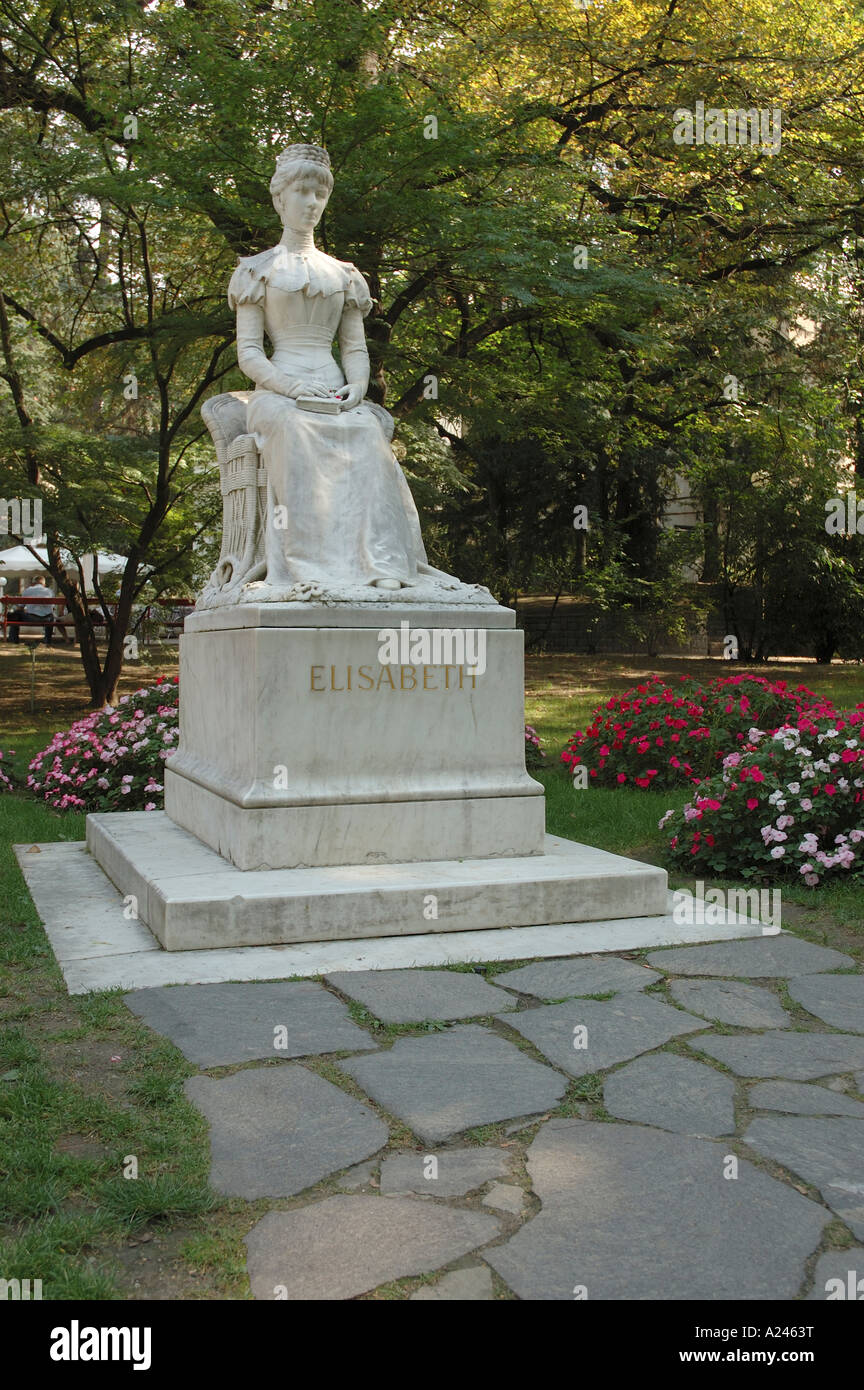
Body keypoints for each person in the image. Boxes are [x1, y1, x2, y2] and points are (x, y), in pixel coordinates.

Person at [227, 142, 449, 594]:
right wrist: (291, 388)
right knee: (294, 428)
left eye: (320, 195)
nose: (312, 203)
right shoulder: (256, 271)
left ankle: (379, 561)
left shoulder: (344, 275)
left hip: (334, 394)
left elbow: (354, 347)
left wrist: (358, 386)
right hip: (278, 397)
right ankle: (310, 566)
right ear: (280, 199)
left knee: (368, 432)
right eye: (303, 192)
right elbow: (248, 354)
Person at [6, 574, 57, 644]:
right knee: (51, 615)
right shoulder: (50, 591)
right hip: (47, 619)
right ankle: (48, 641)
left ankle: (13, 640)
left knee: (16, 614)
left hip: (31, 618)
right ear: (44, 584)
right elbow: (53, 608)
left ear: (33, 583)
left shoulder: (28, 590)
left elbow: (21, 607)